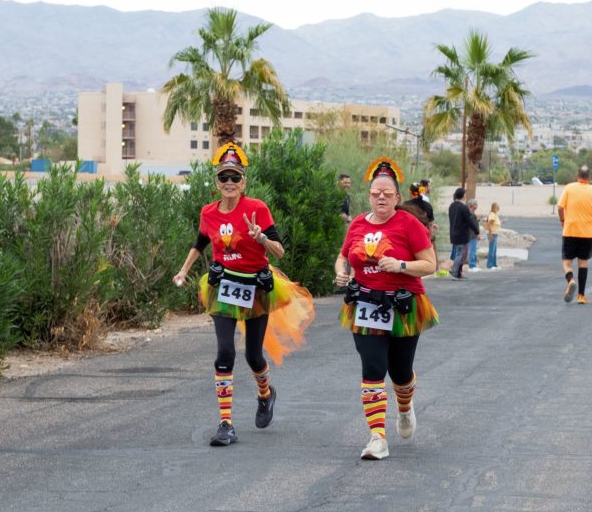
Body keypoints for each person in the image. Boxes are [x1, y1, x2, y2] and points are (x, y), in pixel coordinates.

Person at [174, 142, 315, 446]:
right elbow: (199, 244)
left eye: (235, 177)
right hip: (223, 287)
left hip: (255, 287)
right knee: (225, 352)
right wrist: (183, 271)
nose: (229, 182)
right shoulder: (208, 213)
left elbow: (280, 251)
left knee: (253, 355)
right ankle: (226, 423)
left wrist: (261, 237)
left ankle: (265, 394)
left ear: (243, 182)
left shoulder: (257, 209)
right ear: (217, 182)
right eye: (223, 177)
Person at [334, 156, 439, 460]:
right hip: (365, 304)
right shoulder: (357, 224)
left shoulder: (409, 224)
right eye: (376, 193)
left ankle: (404, 407)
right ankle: (377, 438)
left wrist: (401, 265)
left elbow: (430, 264)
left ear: (397, 197)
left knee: (400, 372)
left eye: (387, 193)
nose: (381, 197)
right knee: (373, 367)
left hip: (403, 306)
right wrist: (341, 272)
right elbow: (343, 257)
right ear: (369, 196)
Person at [557, 165, 592, 304]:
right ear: (589, 177)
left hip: (570, 230)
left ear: (577, 176)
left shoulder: (569, 188)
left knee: (567, 262)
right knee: (583, 262)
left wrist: (562, 220)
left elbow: (560, 207)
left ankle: (571, 280)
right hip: (587, 233)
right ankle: (581, 296)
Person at [448, 187, 479, 280]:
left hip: (453, 233)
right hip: (461, 234)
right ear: (463, 196)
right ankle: (455, 272)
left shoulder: (452, 206)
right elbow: (469, 221)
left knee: (460, 253)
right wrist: (476, 230)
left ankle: (458, 273)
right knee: (461, 254)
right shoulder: (463, 207)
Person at [485, 202, 502, 270]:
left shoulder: (495, 215)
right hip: (492, 234)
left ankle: (494, 265)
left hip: (495, 234)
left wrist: (501, 222)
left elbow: (494, 223)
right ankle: (489, 265)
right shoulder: (492, 215)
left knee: (494, 251)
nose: (498, 208)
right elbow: (489, 224)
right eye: (497, 207)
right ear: (495, 208)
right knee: (491, 250)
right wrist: (490, 234)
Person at [466, 199, 482, 272]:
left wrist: (477, 220)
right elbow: (473, 225)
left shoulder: (469, 213)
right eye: (476, 204)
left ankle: (473, 265)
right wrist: (477, 233)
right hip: (472, 235)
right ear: (472, 205)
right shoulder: (471, 214)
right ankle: (472, 266)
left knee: (473, 250)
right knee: (472, 250)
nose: (477, 206)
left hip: (471, 234)